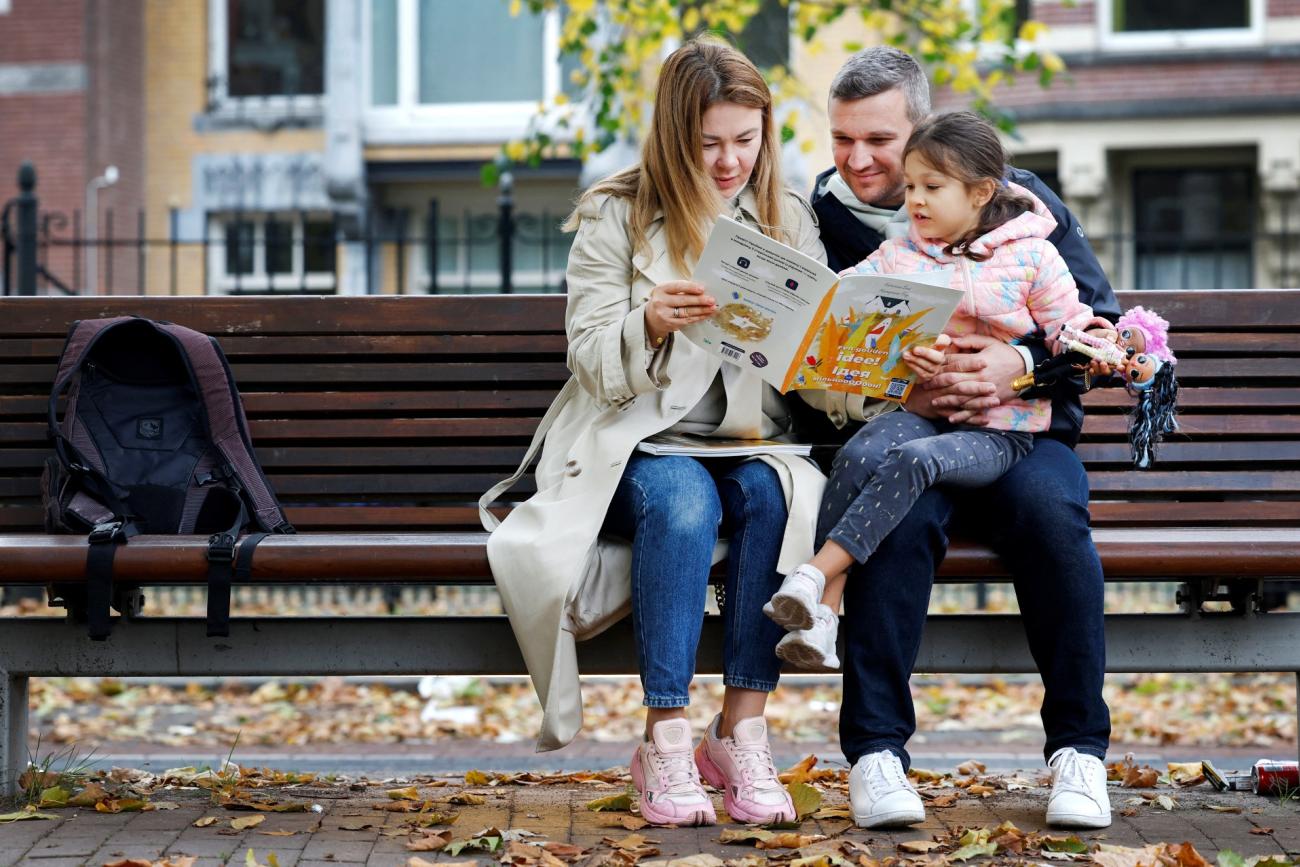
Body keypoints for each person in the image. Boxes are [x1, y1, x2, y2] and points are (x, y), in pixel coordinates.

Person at [479, 39, 827, 828]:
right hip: (635, 446)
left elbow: (808, 370)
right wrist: (649, 321)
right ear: (676, 136)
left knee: (772, 496)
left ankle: (741, 728)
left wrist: (822, 348)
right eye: (711, 143)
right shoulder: (619, 213)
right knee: (681, 498)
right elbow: (592, 359)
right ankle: (664, 734)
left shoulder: (787, 216)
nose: (732, 160)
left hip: (749, 441)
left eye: (747, 139)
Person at [799, 47, 1121, 832]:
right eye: (843, 140)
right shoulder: (820, 219)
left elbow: (1093, 325)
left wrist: (1019, 364)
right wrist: (887, 377)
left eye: (880, 140)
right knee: (895, 517)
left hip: (1020, 438)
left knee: (1053, 515)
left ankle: (1078, 750)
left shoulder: (1020, 206)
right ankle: (876, 753)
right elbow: (826, 348)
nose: (860, 160)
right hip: (904, 434)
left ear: (926, 131)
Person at [767, 111, 1113, 671]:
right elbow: (848, 308)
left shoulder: (1034, 253)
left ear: (980, 193)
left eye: (931, 187)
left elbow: (1074, 326)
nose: (916, 201)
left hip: (1002, 428)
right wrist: (900, 355)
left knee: (913, 460)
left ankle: (815, 573)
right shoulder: (900, 254)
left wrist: (1078, 345)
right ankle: (824, 613)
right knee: (862, 452)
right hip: (925, 412)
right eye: (911, 187)